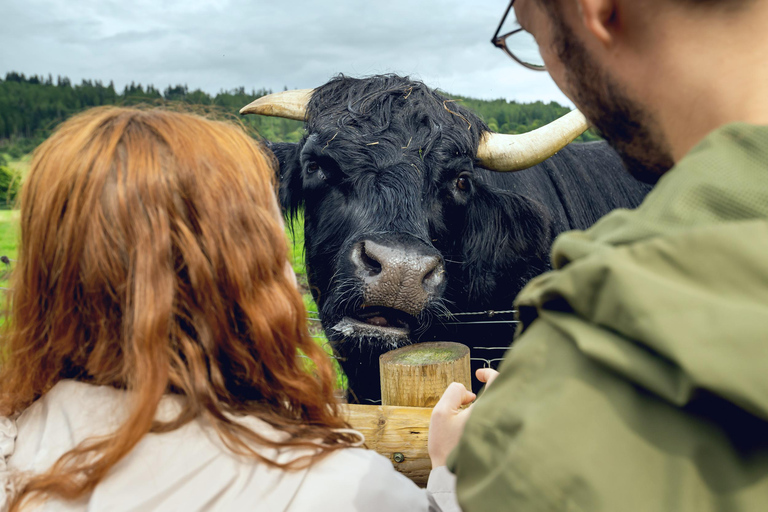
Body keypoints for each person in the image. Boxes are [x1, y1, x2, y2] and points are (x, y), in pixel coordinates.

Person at [0, 107, 461, 512]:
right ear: (243, 280)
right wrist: (448, 472)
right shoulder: (342, 490)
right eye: (273, 246)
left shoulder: (10, 444)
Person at [443, 0, 768, 510]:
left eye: (531, 35)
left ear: (597, 9)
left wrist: (467, 460)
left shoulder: (584, 375)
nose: (552, 71)